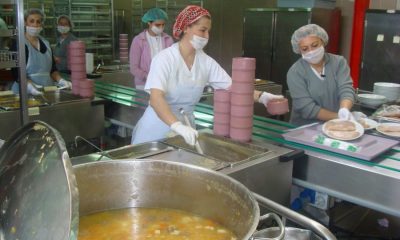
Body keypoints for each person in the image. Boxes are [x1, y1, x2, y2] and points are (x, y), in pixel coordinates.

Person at [131, 5, 283, 146]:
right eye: (202, 30)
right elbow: (156, 98)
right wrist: (177, 126)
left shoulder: (205, 62)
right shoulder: (165, 58)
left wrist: (263, 96)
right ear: (186, 28)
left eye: (208, 31)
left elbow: (233, 88)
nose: (206, 35)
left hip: (186, 127)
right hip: (157, 128)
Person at [287, 24, 357, 126]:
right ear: (299, 50)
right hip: (305, 128)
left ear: (323, 42)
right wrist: (340, 117)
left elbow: (346, 89)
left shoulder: (338, 62)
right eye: (305, 49)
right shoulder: (296, 72)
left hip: (337, 125)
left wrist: (344, 109)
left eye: (315, 45)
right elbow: (307, 108)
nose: (311, 51)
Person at [11, 8, 71, 95]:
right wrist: (31, 88)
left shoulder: (46, 43)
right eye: (31, 21)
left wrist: (61, 81)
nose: (35, 25)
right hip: (24, 93)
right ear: (24, 22)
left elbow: (52, 70)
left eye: (38, 21)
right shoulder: (18, 44)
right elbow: (17, 73)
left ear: (41, 24)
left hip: (47, 91)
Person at [129, 8, 174, 90]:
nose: (161, 27)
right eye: (157, 25)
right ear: (149, 23)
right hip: (143, 85)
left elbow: (172, 63)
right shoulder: (139, 40)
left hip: (164, 84)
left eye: (163, 25)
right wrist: (148, 76)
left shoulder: (168, 40)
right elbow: (133, 67)